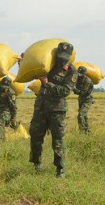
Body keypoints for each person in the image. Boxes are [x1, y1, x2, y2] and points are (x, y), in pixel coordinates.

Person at [29, 42, 78, 178]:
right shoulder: (48, 65)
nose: (62, 59)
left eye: (65, 57)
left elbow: (65, 91)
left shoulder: (71, 71)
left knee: (57, 140)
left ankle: (60, 169)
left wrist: (47, 84)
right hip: (41, 107)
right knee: (35, 136)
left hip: (57, 109)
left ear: (69, 56)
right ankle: (36, 164)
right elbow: (32, 72)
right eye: (60, 56)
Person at [73, 66, 94, 134]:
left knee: (81, 115)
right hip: (81, 99)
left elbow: (83, 93)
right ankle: (87, 132)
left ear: (84, 74)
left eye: (81, 74)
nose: (79, 76)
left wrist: (74, 89)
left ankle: (81, 132)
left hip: (87, 99)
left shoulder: (88, 81)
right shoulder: (77, 79)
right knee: (84, 116)